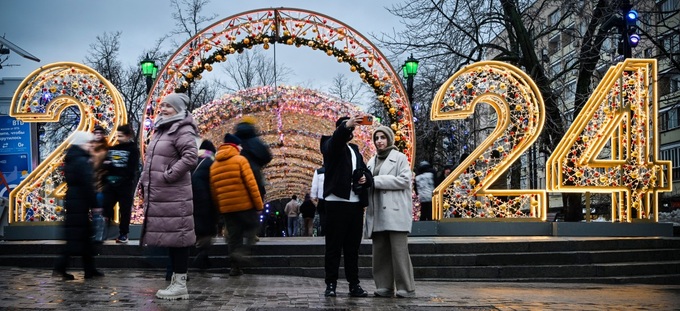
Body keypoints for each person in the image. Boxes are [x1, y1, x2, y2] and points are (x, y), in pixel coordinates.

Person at [139, 92, 198, 300]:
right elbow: (152, 162)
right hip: (164, 194)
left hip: (175, 194)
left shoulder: (182, 129)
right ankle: (176, 281)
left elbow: (191, 157)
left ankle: (180, 284)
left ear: (179, 110)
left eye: (169, 107)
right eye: (162, 105)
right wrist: (143, 182)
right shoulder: (162, 130)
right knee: (174, 239)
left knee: (179, 239)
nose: (163, 109)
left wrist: (169, 175)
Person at [364, 126, 416, 298]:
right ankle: (384, 286)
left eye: (383, 137)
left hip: (395, 211)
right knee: (380, 253)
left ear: (389, 139)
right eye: (377, 138)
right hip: (377, 211)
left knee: (399, 252)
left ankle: (406, 287)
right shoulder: (371, 161)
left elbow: (404, 180)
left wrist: (374, 181)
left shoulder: (399, 158)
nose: (379, 141)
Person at [321, 115, 370, 298]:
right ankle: (331, 284)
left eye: (352, 128)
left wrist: (366, 178)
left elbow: (365, 170)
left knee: (352, 248)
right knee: (333, 247)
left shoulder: (355, 150)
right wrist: (346, 126)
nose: (350, 131)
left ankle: (354, 284)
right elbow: (336, 142)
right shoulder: (329, 145)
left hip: (355, 204)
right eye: (347, 128)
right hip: (336, 202)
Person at [53, 131, 105, 280]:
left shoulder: (73, 157)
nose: (91, 146)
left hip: (75, 201)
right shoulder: (82, 160)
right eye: (89, 143)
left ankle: (90, 269)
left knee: (83, 238)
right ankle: (61, 267)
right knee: (75, 239)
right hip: (80, 202)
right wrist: (95, 204)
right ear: (82, 143)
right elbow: (88, 184)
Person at [210, 133, 264, 277]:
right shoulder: (240, 160)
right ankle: (242, 252)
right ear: (235, 146)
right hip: (244, 206)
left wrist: (219, 210)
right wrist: (259, 206)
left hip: (227, 208)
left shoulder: (214, 165)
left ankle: (235, 267)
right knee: (252, 227)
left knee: (233, 237)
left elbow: (214, 191)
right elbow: (251, 185)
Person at [101, 124, 140, 244]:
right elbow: (105, 165)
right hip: (111, 184)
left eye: (121, 136)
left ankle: (124, 233)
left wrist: (113, 168)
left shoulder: (133, 150)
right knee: (105, 207)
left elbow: (131, 168)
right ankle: (103, 231)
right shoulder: (112, 149)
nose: (118, 138)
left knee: (125, 210)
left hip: (125, 185)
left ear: (128, 136)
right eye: (117, 135)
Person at [191, 139, 218, 270]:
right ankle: (202, 254)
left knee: (197, 228)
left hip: (190, 199)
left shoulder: (192, 161)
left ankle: (202, 257)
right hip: (206, 201)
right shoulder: (212, 163)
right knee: (206, 230)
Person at [234, 117, 272, 200]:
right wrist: (258, 163)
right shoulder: (255, 140)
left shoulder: (233, 141)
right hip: (253, 175)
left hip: (235, 177)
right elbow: (267, 157)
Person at [90, 125, 109, 208]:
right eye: (96, 133)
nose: (98, 134)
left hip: (101, 181)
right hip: (90, 180)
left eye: (100, 133)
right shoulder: (89, 147)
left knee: (99, 206)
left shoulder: (106, 148)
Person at [310, 164, 326, 236]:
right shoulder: (335, 170)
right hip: (332, 198)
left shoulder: (319, 172)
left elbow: (314, 185)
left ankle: (324, 231)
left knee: (322, 216)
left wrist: (313, 196)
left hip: (322, 197)